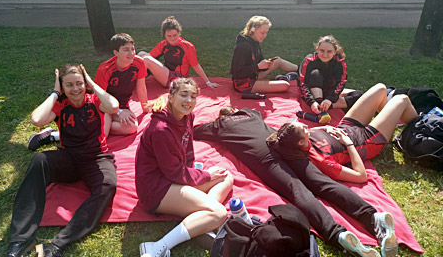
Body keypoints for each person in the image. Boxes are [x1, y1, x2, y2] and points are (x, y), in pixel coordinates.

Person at [194, 107, 395, 257]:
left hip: (265, 158)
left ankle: (337, 234)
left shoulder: (221, 124)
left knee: (298, 191)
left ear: (223, 116)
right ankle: (373, 217)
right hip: (281, 145)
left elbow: (197, 130)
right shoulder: (251, 112)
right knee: (323, 183)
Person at [5, 64, 119, 257]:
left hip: (97, 158)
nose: (75, 89)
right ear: (62, 87)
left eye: (79, 83)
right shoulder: (61, 103)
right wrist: (55, 94)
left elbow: (113, 106)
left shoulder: (94, 99)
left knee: (108, 185)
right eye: (69, 85)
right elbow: (36, 119)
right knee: (40, 159)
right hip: (69, 158)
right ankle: (20, 239)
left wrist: (91, 83)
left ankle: (57, 245)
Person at [135, 78, 233, 257]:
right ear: (171, 97)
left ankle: (200, 223)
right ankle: (157, 246)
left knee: (226, 176)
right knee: (219, 213)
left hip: (173, 178)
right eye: (184, 95)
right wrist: (204, 176)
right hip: (156, 188)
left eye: (193, 96)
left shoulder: (187, 116)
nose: (189, 100)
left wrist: (196, 172)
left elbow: (187, 151)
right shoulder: (160, 129)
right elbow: (173, 171)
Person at [272, 83, 418, 184]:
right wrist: (348, 143)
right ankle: (417, 132)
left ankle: (389, 120)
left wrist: (325, 129)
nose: (306, 126)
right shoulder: (322, 161)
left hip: (347, 125)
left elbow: (310, 131)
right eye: (303, 129)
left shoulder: (300, 140)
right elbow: (361, 176)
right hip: (366, 140)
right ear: (301, 143)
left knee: (380, 89)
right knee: (402, 99)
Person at [137, 16, 220, 88]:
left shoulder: (187, 46)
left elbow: (196, 65)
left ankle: (133, 82)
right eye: (169, 36)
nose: (172, 38)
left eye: (175, 35)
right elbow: (149, 56)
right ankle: (131, 79)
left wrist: (208, 82)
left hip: (177, 80)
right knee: (141, 54)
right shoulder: (163, 44)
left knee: (146, 59)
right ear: (164, 35)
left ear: (179, 33)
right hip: (167, 73)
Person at [95, 33, 148, 138]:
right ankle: (100, 126)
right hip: (104, 105)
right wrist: (118, 112)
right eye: (126, 49)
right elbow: (97, 98)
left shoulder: (139, 63)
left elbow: (141, 88)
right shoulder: (105, 69)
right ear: (116, 52)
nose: (131, 53)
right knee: (103, 135)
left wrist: (145, 108)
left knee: (132, 127)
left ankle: (99, 126)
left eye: (133, 49)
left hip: (123, 105)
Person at [230, 15, 298, 94]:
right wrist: (258, 66)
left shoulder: (254, 41)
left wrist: (266, 64)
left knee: (278, 61)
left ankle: (302, 70)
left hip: (254, 74)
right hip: (243, 83)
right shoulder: (242, 46)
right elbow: (237, 73)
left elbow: (259, 61)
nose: (265, 36)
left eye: (266, 32)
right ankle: (285, 78)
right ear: (253, 30)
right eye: (262, 33)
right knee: (285, 85)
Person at [298, 35, 362, 115]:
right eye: (322, 50)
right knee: (316, 73)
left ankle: (325, 107)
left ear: (335, 52)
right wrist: (312, 102)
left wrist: (329, 99)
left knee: (360, 95)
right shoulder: (309, 60)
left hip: (330, 92)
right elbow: (302, 83)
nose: (325, 55)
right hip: (314, 92)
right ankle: (319, 103)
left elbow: (341, 82)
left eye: (329, 51)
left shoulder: (339, 61)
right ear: (317, 49)